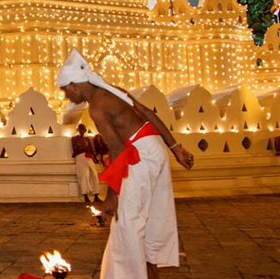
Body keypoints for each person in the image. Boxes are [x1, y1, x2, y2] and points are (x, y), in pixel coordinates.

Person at [57, 50, 194, 279]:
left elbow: (118, 148)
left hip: (138, 157)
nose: (67, 97)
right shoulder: (114, 92)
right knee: (149, 224)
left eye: (65, 92)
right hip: (155, 150)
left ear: (74, 85)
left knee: (127, 228)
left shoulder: (97, 106)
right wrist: (174, 148)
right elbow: (148, 114)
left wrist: (112, 194)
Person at [71, 123, 101, 203]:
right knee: (84, 176)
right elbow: (75, 149)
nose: (81, 131)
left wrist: (94, 156)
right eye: (80, 129)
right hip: (80, 157)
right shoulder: (74, 138)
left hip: (89, 157)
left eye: (83, 129)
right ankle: (86, 196)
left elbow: (91, 149)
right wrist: (84, 148)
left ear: (85, 130)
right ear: (78, 130)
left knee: (94, 175)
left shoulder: (88, 139)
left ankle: (96, 195)